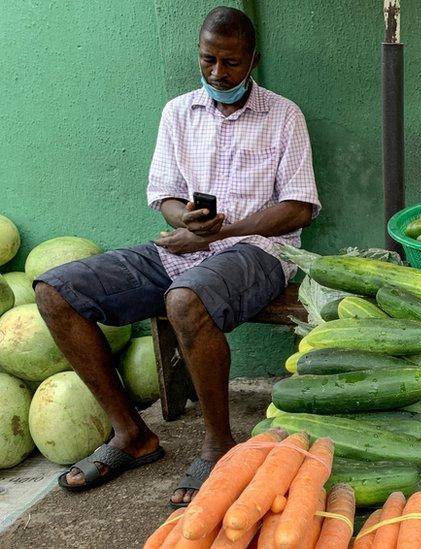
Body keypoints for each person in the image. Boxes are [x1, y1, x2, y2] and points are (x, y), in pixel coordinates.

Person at [33, 6, 320, 507]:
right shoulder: (178, 112)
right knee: (56, 292)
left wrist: (220, 232)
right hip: (184, 249)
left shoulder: (284, 115)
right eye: (207, 59)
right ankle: (132, 435)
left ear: (254, 60)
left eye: (230, 63)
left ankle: (218, 444)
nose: (216, 73)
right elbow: (164, 193)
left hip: (260, 252)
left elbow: (298, 208)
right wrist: (183, 220)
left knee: (185, 301)